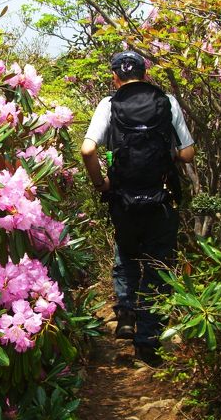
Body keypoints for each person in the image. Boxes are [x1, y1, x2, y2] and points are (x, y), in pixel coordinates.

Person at [81, 50, 195, 366]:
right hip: (160, 199)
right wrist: (166, 156)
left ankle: (127, 313)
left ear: (115, 77)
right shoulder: (167, 102)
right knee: (158, 267)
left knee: (126, 255)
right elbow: (187, 153)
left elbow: (87, 149)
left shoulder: (109, 104)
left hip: (124, 200)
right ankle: (148, 342)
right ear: (146, 75)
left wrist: (99, 183)